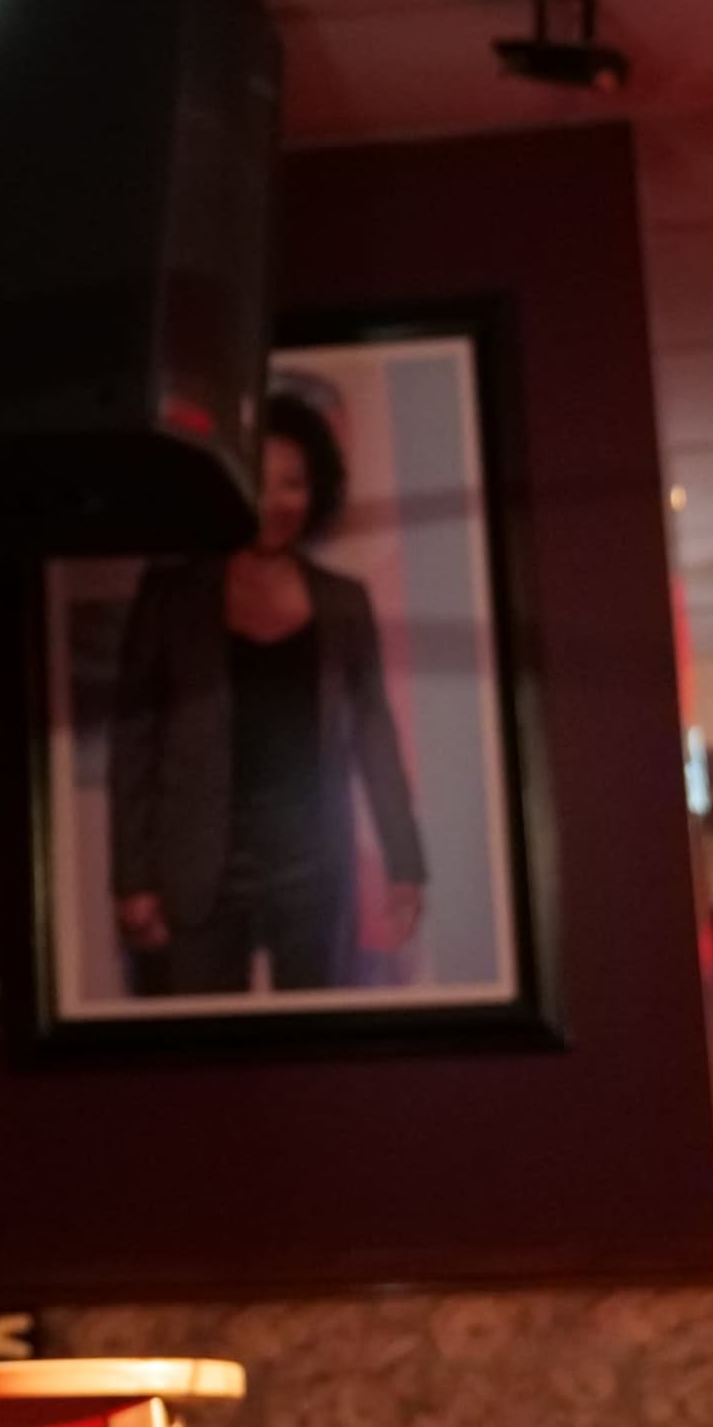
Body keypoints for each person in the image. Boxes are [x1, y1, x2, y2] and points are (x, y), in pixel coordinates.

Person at [107, 391, 426, 996]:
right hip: (198, 868)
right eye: (257, 481)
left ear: (317, 491)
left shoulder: (343, 602)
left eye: (293, 484)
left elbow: (374, 737)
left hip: (313, 867)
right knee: (200, 1058)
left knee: (312, 1057)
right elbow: (134, 746)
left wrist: (404, 864)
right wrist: (133, 879)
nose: (275, 503)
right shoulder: (170, 596)